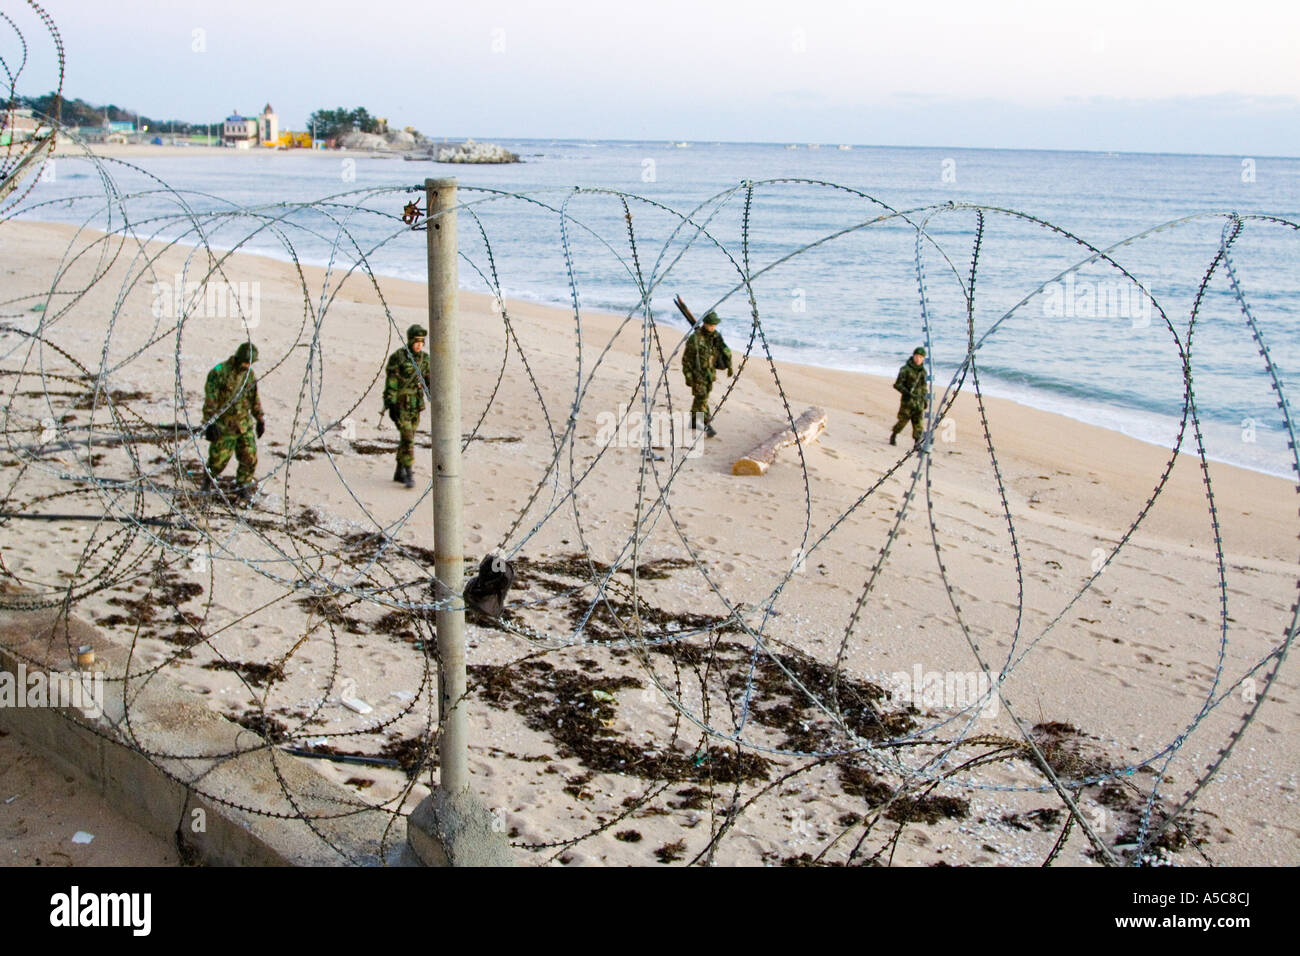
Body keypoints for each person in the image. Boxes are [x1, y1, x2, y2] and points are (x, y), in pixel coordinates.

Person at [202, 341, 265, 500]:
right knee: (218, 460)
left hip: (244, 424)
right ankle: (207, 481)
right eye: (246, 362)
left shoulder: (249, 375)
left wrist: (260, 419)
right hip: (225, 425)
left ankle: (243, 485)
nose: (247, 365)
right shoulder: (219, 372)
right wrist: (210, 423)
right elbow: (211, 400)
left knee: (249, 458)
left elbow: (254, 398)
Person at [383, 324, 431, 488]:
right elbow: (392, 380)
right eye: (416, 341)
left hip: (415, 405)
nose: (419, 345)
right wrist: (390, 400)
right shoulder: (399, 357)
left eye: (422, 342)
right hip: (400, 403)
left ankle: (398, 471)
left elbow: (429, 380)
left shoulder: (425, 359)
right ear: (410, 341)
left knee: (407, 438)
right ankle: (409, 473)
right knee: (408, 438)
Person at [681, 311, 732, 438]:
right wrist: (687, 375)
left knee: (701, 397)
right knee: (702, 398)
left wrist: (729, 365)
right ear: (705, 324)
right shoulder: (695, 339)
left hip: (709, 374)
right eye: (710, 325)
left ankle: (694, 421)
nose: (712, 328)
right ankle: (706, 424)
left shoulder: (716, 337)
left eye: (714, 325)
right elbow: (686, 359)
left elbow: (724, 349)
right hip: (697, 374)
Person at [890, 346, 928, 447]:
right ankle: (894, 435)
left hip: (918, 402)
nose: (918, 359)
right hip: (907, 401)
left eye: (921, 357)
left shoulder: (923, 372)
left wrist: (925, 400)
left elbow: (924, 387)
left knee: (918, 423)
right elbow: (897, 384)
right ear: (913, 356)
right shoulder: (905, 370)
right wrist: (906, 392)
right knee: (902, 421)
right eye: (917, 356)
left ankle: (917, 443)